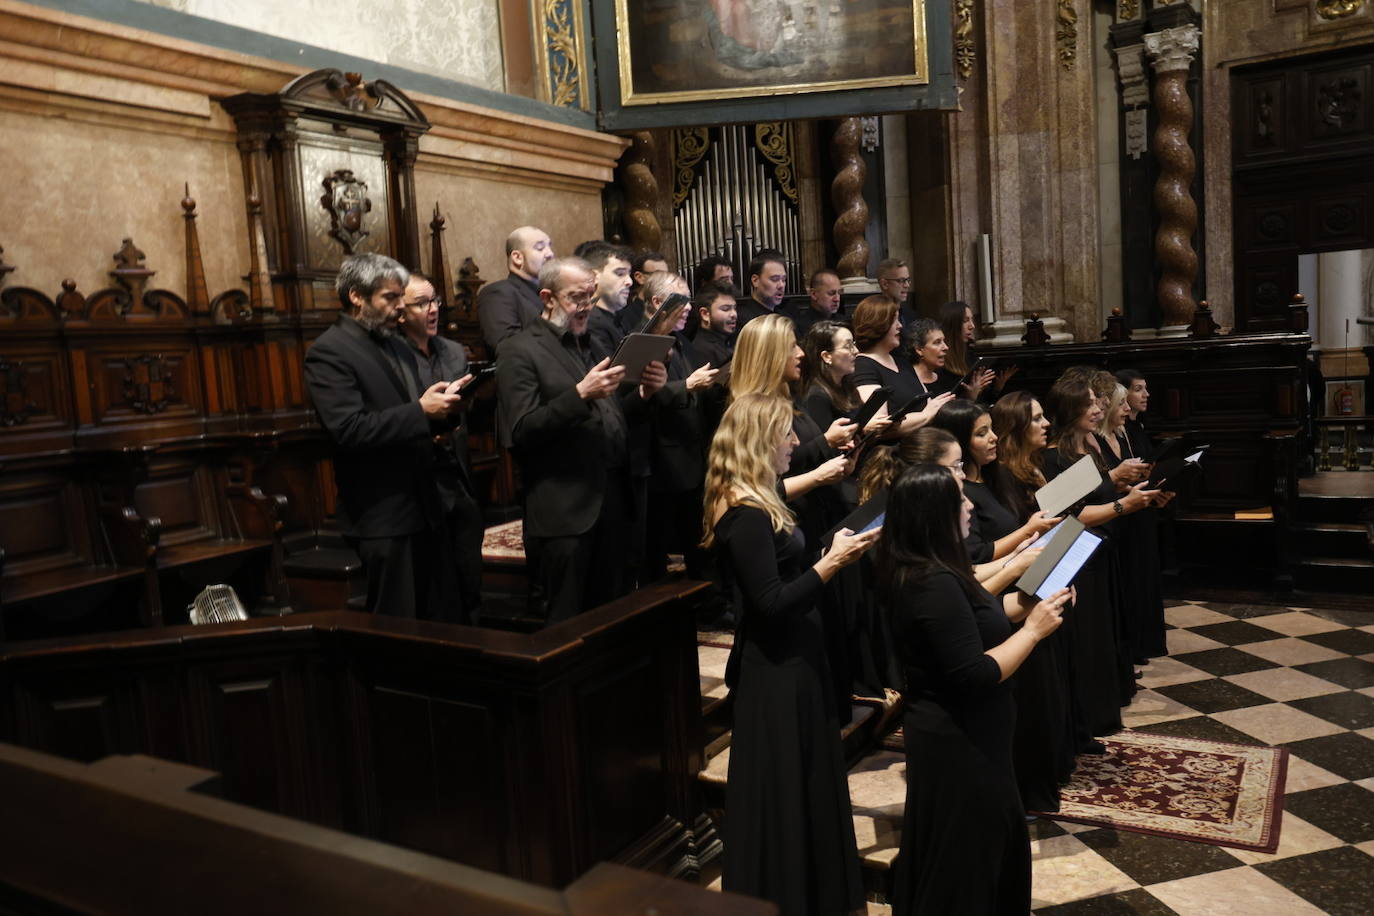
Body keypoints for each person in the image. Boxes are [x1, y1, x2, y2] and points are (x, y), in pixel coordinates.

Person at [705, 392, 877, 916]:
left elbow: (785, 572)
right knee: (783, 792)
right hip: (774, 669)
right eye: (785, 433)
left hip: (798, 658)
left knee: (810, 782)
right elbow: (771, 603)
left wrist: (830, 548)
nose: (796, 443)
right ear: (760, 441)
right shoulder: (744, 511)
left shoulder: (763, 494)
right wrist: (832, 565)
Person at [876, 463, 1068, 916]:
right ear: (935, 514)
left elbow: (983, 618)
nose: (969, 507)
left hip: (971, 734)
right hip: (958, 740)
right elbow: (975, 673)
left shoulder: (941, 569)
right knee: (967, 860)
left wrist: (1036, 606)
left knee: (980, 847)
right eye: (959, 499)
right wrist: (1034, 633)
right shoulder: (932, 582)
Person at [496, 256, 667, 623]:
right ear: (547, 297)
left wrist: (643, 395)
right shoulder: (519, 350)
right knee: (570, 623)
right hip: (566, 512)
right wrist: (580, 395)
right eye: (577, 298)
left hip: (614, 499)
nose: (586, 307)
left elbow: (612, 414)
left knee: (615, 613)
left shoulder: (591, 343)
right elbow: (521, 431)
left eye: (590, 296)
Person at [304, 253, 466, 621]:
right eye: (389, 298)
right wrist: (421, 411)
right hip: (382, 510)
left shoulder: (393, 343)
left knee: (437, 615)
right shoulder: (329, 352)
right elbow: (349, 429)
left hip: (425, 501)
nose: (398, 308)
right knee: (397, 621)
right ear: (357, 297)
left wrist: (443, 413)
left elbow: (408, 408)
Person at [937, 396, 1073, 812]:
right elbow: (976, 559)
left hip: (1016, 592)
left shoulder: (999, 477)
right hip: (997, 606)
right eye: (981, 433)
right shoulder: (959, 498)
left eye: (991, 429)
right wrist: (1022, 553)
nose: (992, 437)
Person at [1042, 375, 1161, 737]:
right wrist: (1124, 505)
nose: (1097, 410)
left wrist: (1132, 491)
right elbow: (1068, 514)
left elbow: (1099, 494)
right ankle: (1083, 724)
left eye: (1097, 403)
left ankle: (1098, 719)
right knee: (1086, 643)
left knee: (1103, 641)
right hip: (1077, 559)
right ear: (1069, 411)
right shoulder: (1056, 456)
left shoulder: (1088, 449)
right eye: (1089, 404)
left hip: (1101, 553)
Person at [395, 270, 485, 624]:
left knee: (469, 569)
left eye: (435, 301)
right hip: (417, 476)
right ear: (400, 312)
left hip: (456, 471)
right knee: (436, 583)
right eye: (422, 303)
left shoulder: (449, 349)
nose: (432, 309)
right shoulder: (391, 355)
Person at [1096, 381, 1171, 662]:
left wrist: (1153, 492)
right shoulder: (1095, 441)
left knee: (1142, 581)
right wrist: (1118, 480)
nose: (1127, 408)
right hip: (1115, 521)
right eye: (1120, 404)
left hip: (1134, 515)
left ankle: (1143, 644)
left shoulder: (1124, 433)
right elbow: (1089, 495)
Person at [850, 296, 953, 437]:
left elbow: (927, 401)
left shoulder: (901, 362)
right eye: (894, 321)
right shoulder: (864, 366)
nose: (900, 326)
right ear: (879, 324)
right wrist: (926, 415)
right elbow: (879, 426)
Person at [476, 225, 554, 355]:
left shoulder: (551, 294)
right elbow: (506, 345)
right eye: (540, 248)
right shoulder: (498, 293)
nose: (550, 254)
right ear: (517, 257)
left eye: (550, 246)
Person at [579, 240, 634, 361]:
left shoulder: (622, 318)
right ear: (593, 276)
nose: (629, 281)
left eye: (629, 274)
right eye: (620, 274)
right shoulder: (588, 322)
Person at [937, 301, 996, 399]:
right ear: (952, 324)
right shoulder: (940, 360)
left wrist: (997, 387)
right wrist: (971, 396)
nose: (972, 326)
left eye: (971, 320)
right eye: (965, 321)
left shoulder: (970, 353)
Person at [907, 317, 964, 398]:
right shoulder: (906, 382)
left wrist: (972, 395)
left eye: (944, 341)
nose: (946, 347)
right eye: (937, 342)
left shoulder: (947, 378)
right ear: (919, 349)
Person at [735, 249, 789, 331]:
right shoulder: (743, 321)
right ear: (755, 280)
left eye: (783, 279)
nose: (781, 285)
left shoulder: (784, 317)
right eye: (774, 279)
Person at [619, 249, 669, 331]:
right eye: (658, 275)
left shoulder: (667, 309)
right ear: (639, 277)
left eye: (666, 275)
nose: (665, 280)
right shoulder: (626, 317)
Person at [794, 268, 842, 337]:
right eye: (831, 293)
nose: (837, 299)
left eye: (839, 293)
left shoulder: (843, 322)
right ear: (814, 294)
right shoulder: (799, 326)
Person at [876, 258, 915, 328]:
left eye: (908, 280)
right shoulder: (875, 317)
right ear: (884, 284)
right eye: (901, 280)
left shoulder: (910, 314)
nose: (907, 285)